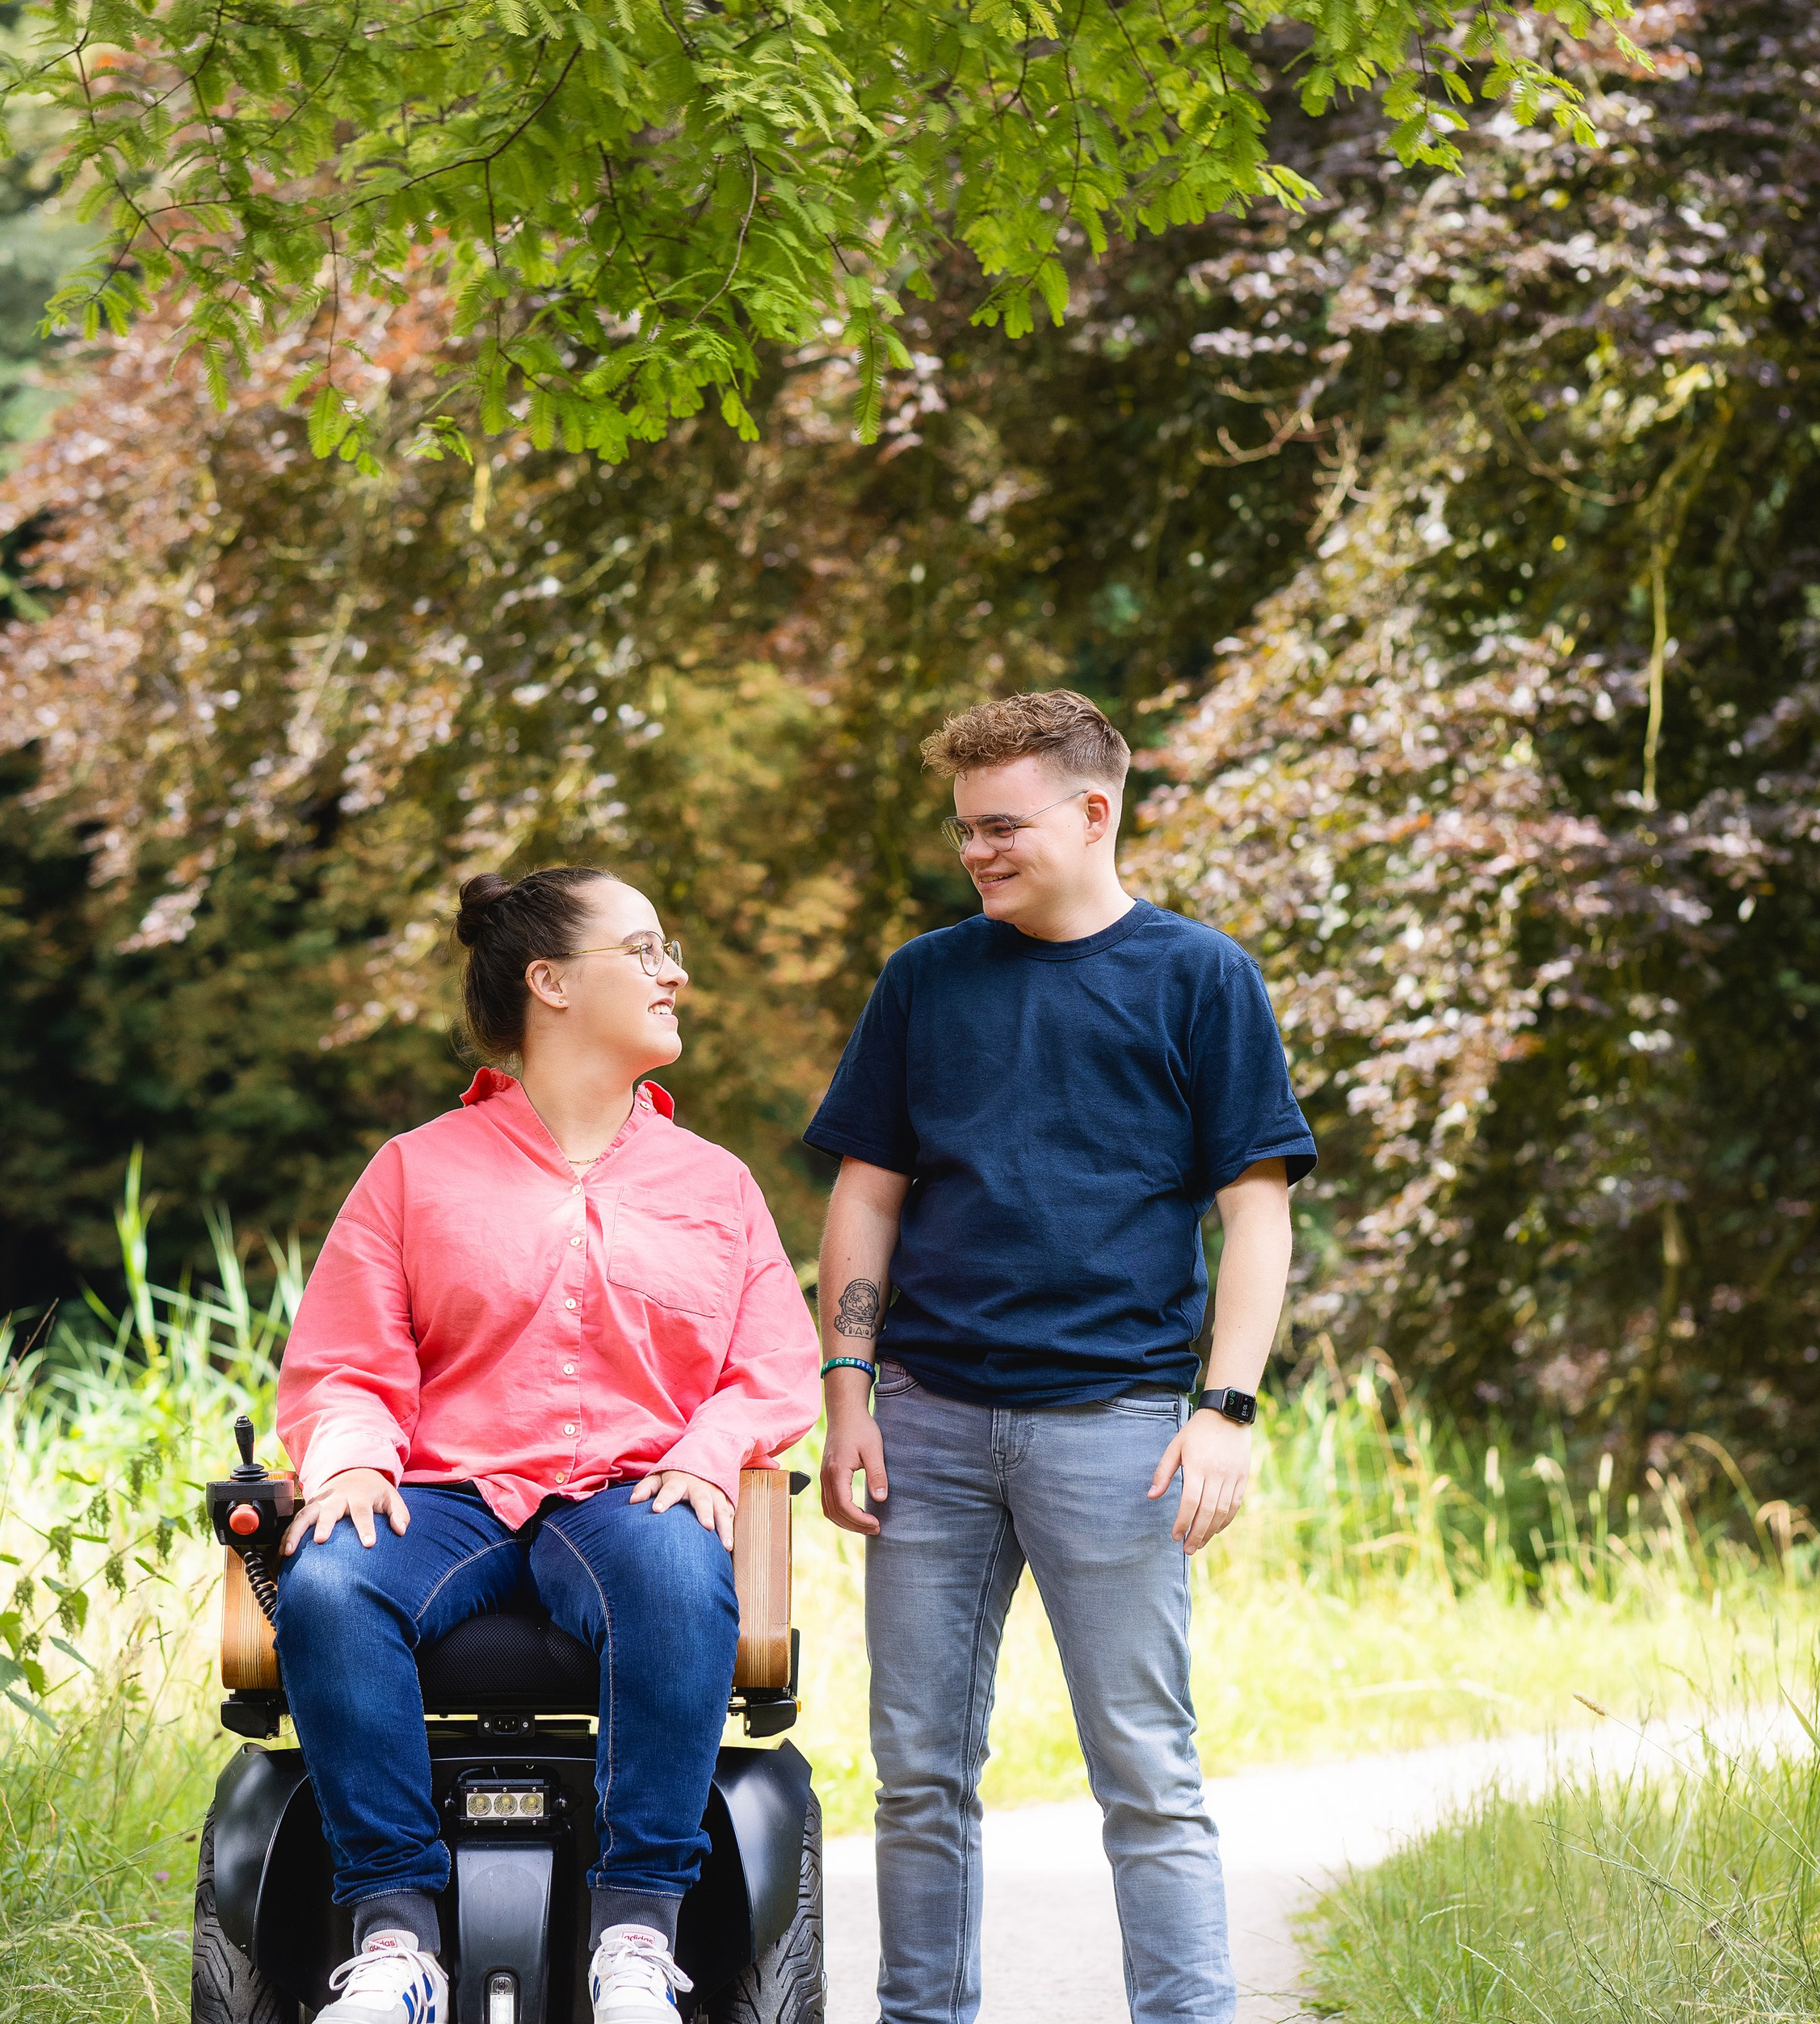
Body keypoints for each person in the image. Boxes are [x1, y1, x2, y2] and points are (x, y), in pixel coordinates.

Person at [808, 690, 1315, 2024]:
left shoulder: (1202, 977)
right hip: (926, 1417)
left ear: (1095, 812)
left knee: (1145, 1769)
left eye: (1002, 827)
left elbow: (1255, 1211)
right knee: (917, 1772)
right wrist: (847, 1394)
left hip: (1119, 1432)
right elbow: (867, 1194)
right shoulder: (924, 979)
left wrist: (1227, 1408)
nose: (977, 852)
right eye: (966, 829)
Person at [272, 866, 819, 2024]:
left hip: (630, 1496)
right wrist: (353, 1458)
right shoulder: (414, 1171)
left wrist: (712, 1450)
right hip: (448, 1496)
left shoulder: (713, 1184)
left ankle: (635, 1941)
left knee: (676, 1571)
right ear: (551, 982)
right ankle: (393, 1943)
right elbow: (342, 1367)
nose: (678, 974)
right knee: (326, 1583)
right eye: (647, 950)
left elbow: (772, 1367)